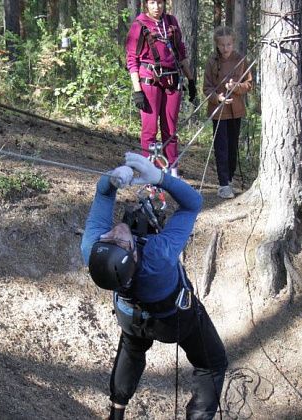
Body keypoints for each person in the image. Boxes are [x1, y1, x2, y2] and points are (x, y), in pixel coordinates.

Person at [81, 152, 227, 420]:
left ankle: (116, 412)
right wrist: (160, 178)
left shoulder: (93, 248)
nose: (116, 231)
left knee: (132, 346)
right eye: (120, 241)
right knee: (213, 363)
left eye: (109, 236)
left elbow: (103, 195)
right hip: (174, 322)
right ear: (134, 255)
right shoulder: (157, 255)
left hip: (130, 315)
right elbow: (193, 203)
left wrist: (111, 181)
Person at [125, 0, 197, 178]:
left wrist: (191, 79)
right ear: (146, 4)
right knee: (149, 130)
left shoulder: (171, 22)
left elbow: (181, 53)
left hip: (172, 80)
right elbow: (132, 60)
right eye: (152, 2)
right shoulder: (139, 25)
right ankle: (148, 171)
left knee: (170, 129)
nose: (156, 7)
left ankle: (172, 171)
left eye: (160, 2)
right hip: (149, 80)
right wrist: (137, 91)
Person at [202, 26, 254, 199]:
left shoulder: (241, 60)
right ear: (217, 45)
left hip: (236, 110)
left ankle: (230, 178)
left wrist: (236, 87)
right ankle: (223, 183)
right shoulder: (211, 61)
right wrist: (218, 97)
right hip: (218, 110)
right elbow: (206, 88)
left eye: (229, 44)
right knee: (221, 147)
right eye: (222, 45)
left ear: (233, 43)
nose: (226, 48)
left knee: (232, 146)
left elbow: (249, 84)